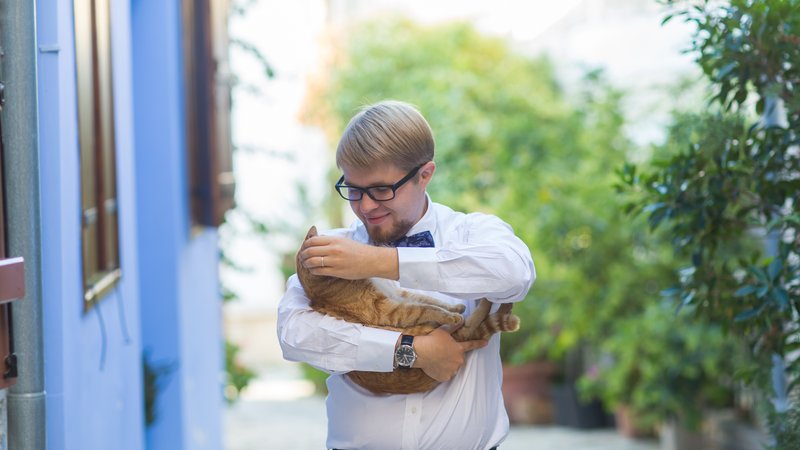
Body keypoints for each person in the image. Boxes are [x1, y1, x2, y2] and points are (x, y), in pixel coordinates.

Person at [277, 100, 535, 450]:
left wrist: (378, 263)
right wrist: (408, 351)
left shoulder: (472, 234)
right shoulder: (333, 249)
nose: (365, 206)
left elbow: (515, 273)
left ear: (424, 174)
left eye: (381, 190)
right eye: (353, 189)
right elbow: (295, 334)